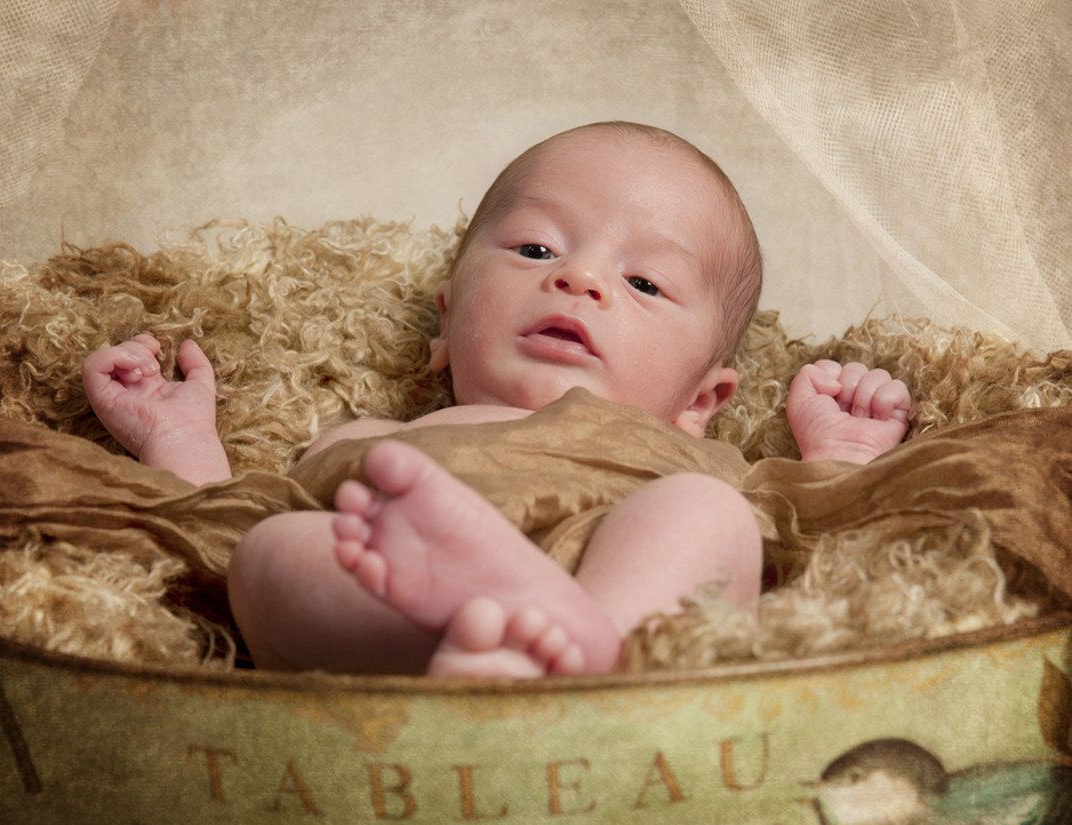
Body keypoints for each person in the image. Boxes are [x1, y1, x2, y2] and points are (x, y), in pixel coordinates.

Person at [82, 121, 911, 679]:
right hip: (410, 602)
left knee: (710, 515)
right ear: (445, 326)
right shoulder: (375, 436)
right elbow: (222, 519)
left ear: (703, 397)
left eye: (646, 281)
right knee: (267, 554)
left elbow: (813, 541)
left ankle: (585, 637)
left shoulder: (689, 454)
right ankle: (500, 628)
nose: (578, 276)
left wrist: (840, 454)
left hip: (618, 571)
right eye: (536, 246)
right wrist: (180, 437)